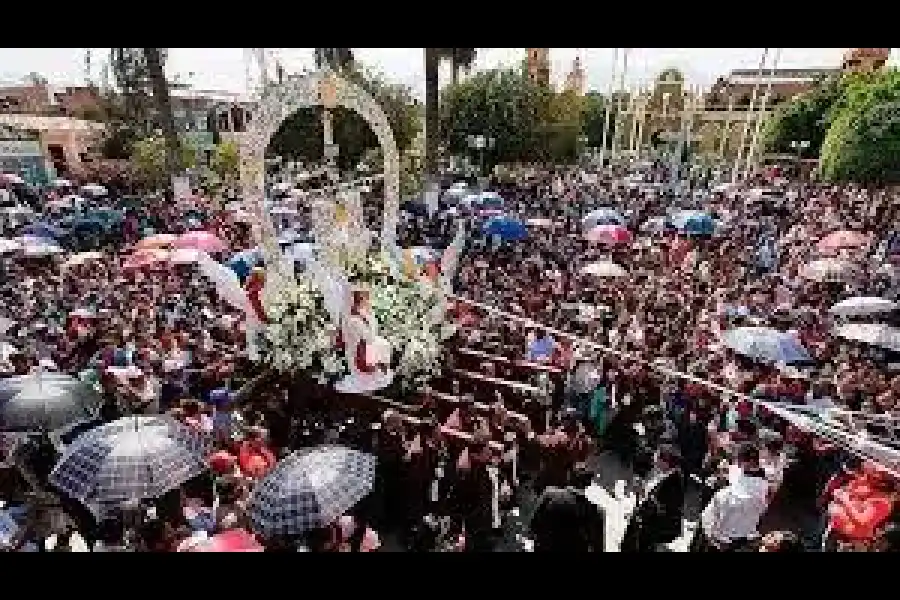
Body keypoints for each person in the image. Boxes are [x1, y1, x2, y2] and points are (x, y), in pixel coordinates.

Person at [695, 442, 770, 552]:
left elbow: (715, 519)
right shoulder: (764, 485)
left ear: (745, 462)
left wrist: (712, 535)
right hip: (744, 533)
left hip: (722, 537)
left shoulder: (728, 494)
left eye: (738, 460)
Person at [620, 444, 685, 552]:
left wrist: (644, 496)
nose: (654, 456)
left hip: (653, 525)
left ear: (665, 462)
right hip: (646, 519)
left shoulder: (674, 483)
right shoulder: (661, 472)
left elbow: (665, 508)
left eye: (657, 455)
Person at [529, 462, 604, 551]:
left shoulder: (549, 494)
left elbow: (533, 526)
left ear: (569, 476)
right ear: (588, 483)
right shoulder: (595, 511)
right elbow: (598, 547)